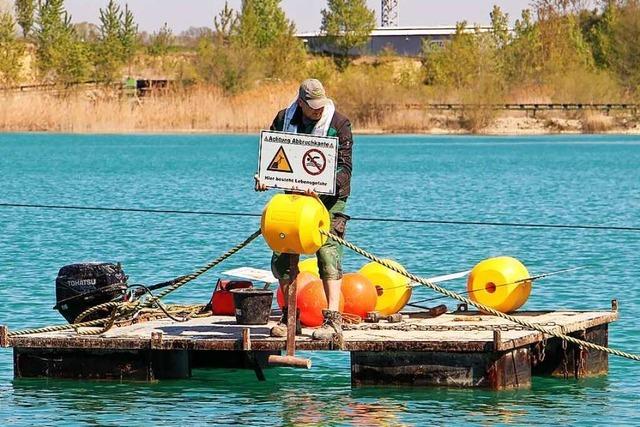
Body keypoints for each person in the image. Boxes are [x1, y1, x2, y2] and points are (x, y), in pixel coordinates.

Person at [255, 78, 353, 340]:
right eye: (312, 106)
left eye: (321, 105)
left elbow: (345, 169)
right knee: (282, 256)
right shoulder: (282, 119)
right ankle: (291, 317)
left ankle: (333, 322)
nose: (318, 110)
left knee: (328, 255)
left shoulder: (339, 124)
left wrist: (321, 187)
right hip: (294, 199)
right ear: (301, 103)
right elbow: (272, 159)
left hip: (329, 202)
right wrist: (264, 178)